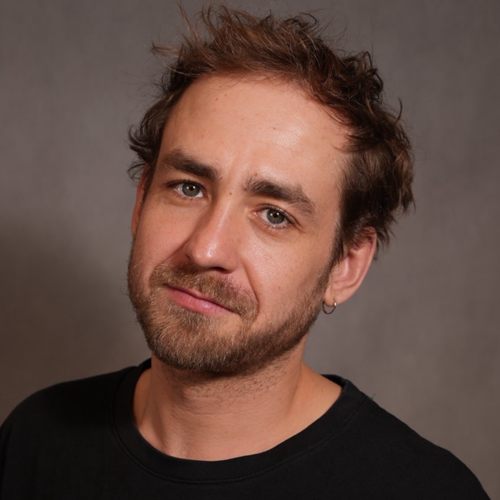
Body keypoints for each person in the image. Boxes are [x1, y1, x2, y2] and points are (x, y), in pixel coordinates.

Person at [0, 6, 488, 499]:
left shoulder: (426, 490)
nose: (205, 249)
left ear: (345, 266)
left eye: (274, 215)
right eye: (189, 188)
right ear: (141, 200)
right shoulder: (35, 440)